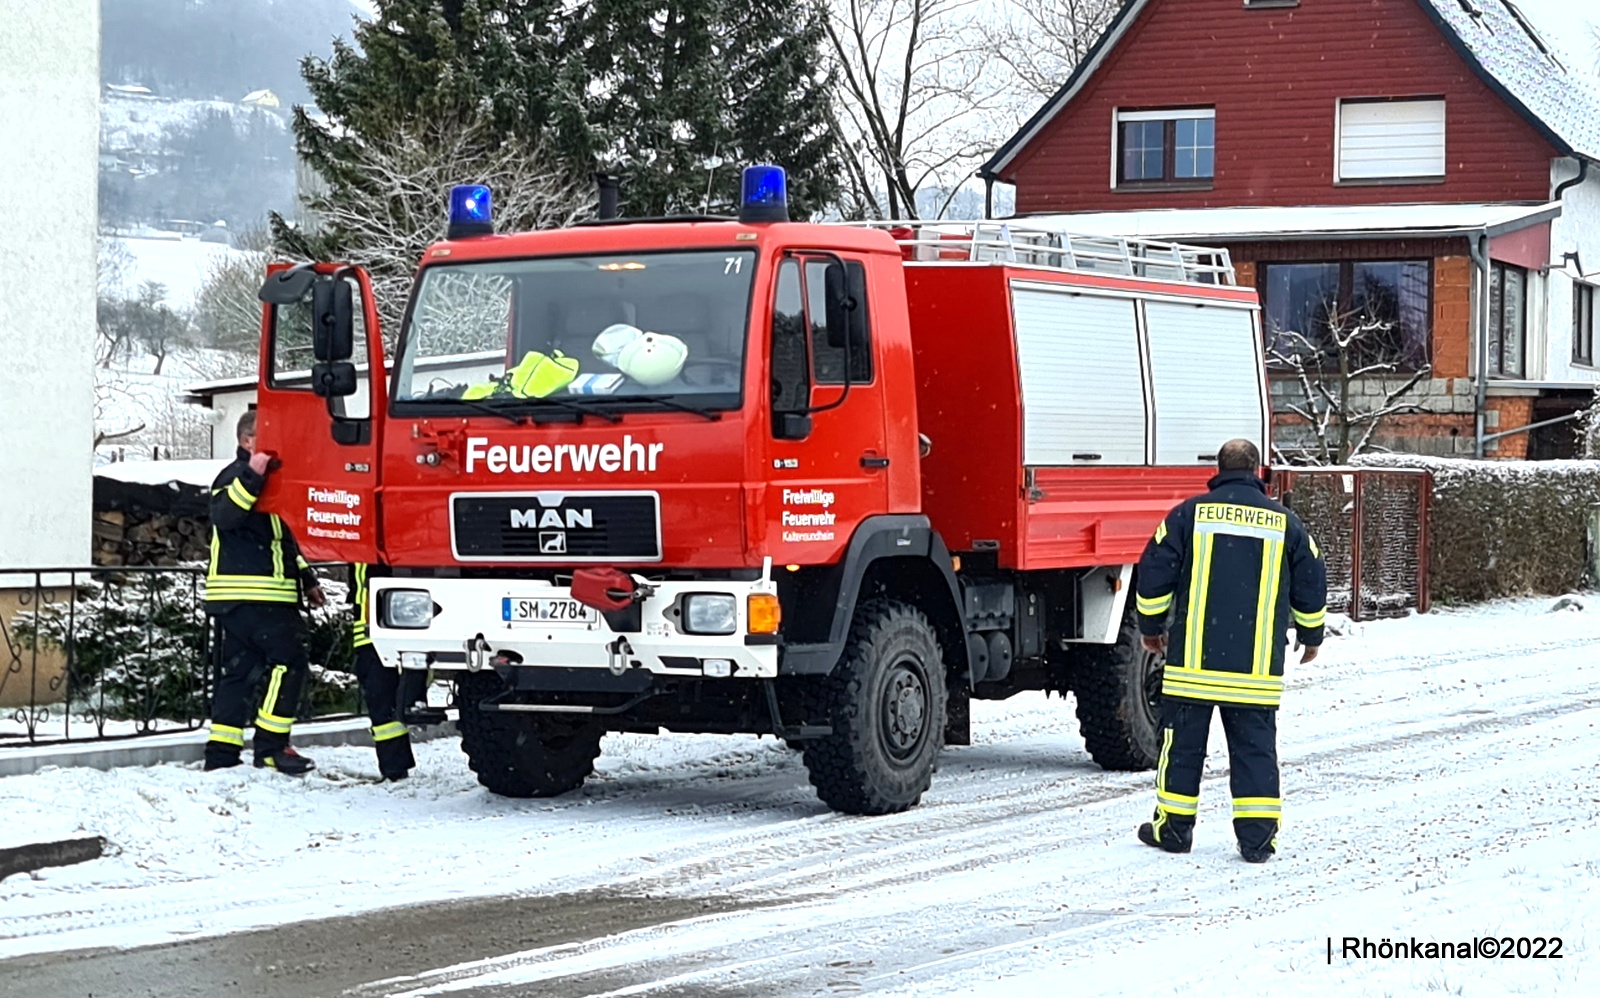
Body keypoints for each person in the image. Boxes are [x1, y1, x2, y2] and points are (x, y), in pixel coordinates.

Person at [1132, 438, 1327, 863]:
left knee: (1181, 748)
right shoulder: (1285, 523)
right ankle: (1257, 842)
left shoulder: (1188, 515)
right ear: (1258, 469)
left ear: (1218, 468)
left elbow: (1153, 573)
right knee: (1255, 751)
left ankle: (1174, 830)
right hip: (1253, 670)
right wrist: (1311, 635)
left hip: (1192, 666)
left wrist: (1151, 627)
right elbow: (1311, 578)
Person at [203, 411, 324, 775]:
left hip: (251, 598)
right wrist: (252, 474)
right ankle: (271, 747)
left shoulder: (275, 482)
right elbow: (224, 516)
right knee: (289, 664)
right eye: (265, 437)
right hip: (259, 597)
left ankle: (222, 754)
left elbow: (284, 540)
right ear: (246, 442)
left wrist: (307, 578)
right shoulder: (235, 477)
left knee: (239, 672)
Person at [349, 562, 418, 781]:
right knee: (382, 698)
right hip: (372, 629)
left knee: (385, 697)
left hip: (396, 624)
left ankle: (395, 766)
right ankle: (394, 767)